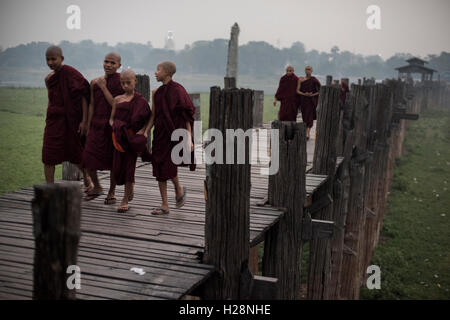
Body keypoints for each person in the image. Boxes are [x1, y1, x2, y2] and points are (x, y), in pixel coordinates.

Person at [142, 61, 195, 215]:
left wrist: (189, 138)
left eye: (158, 69)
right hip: (160, 134)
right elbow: (154, 115)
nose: (155, 72)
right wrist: (146, 131)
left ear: (167, 72)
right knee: (159, 167)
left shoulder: (178, 90)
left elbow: (187, 116)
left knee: (168, 166)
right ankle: (165, 204)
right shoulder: (156, 93)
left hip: (175, 133)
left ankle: (178, 189)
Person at [42, 45, 90, 184]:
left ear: (61, 58)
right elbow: (51, 99)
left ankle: (87, 178)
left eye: (53, 59)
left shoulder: (70, 73)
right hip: (53, 122)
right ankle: (49, 188)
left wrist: (84, 121)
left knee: (75, 152)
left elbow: (83, 97)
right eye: (48, 59)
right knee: (48, 154)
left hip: (70, 121)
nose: (50, 62)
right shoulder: (49, 79)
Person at [83, 52, 124, 203]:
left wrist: (103, 87)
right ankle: (97, 186)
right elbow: (92, 104)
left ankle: (111, 192)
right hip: (96, 125)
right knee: (87, 158)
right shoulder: (94, 82)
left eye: (112, 63)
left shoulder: (121, 81)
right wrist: (87, 123)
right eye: (106, 61)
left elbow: (116, 103)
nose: (108, 65)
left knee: (113, 161)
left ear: (119, 66)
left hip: (111, 125)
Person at [109, 69, 152, 213]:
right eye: (122, 83)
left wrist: (144, 132)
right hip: (119, 139)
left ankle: (125, 199)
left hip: (132, 138)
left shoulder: (141, 101)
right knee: (116, 168)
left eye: (128, 82)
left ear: (135, 81)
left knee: (129, 168)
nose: (125, 85)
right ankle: (130, 190)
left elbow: (149, 118)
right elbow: (112, 118)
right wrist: (114, 127)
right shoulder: (117, 99)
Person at [296, 65, 321, 140]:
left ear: (312, 71)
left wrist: (312, 94)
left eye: (309, 69)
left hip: (311, 101)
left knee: (310, 118)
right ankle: (306, 132)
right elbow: (297, 91)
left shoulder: (314, 79)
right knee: (305, 117)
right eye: (306, 69)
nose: (308, 71)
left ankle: (307, 133)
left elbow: (320, 90)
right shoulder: (301, 79)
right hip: (303, 101)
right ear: (304, 70)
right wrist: (305, 94)